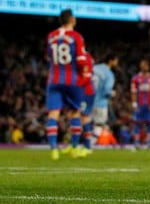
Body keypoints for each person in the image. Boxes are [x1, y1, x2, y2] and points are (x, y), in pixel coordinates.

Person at [45, 9, 88, 160]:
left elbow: (50, 58)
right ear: (71, 19)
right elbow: (82, 61)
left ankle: (53, 149)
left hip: (54, 80)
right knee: (75, 113)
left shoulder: (51, 36)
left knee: (53, 113)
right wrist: (83, 77)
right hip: (72, 80)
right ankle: (75, 148)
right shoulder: (76, 37)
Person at [91, 53, 120, 147]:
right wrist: (113, 93)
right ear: (111, 61)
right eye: (115, 61)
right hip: (100, 103)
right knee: (99, 124)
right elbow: (107, 91)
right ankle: (90, 144)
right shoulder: (109, 74)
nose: (116, 63)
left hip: (89, 101)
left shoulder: (94, 68)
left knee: (88, 122)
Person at [130, 58, 150, 150]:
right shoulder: (135, 78)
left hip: (149, 105)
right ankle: (136, 144)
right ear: (140, 66)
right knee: (137, 124)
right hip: (139, 104)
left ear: (148, 66)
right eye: (142, 65)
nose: (144, 66)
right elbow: (133, 91)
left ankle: (149, 144)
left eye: (145, 65)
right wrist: (134, 103)